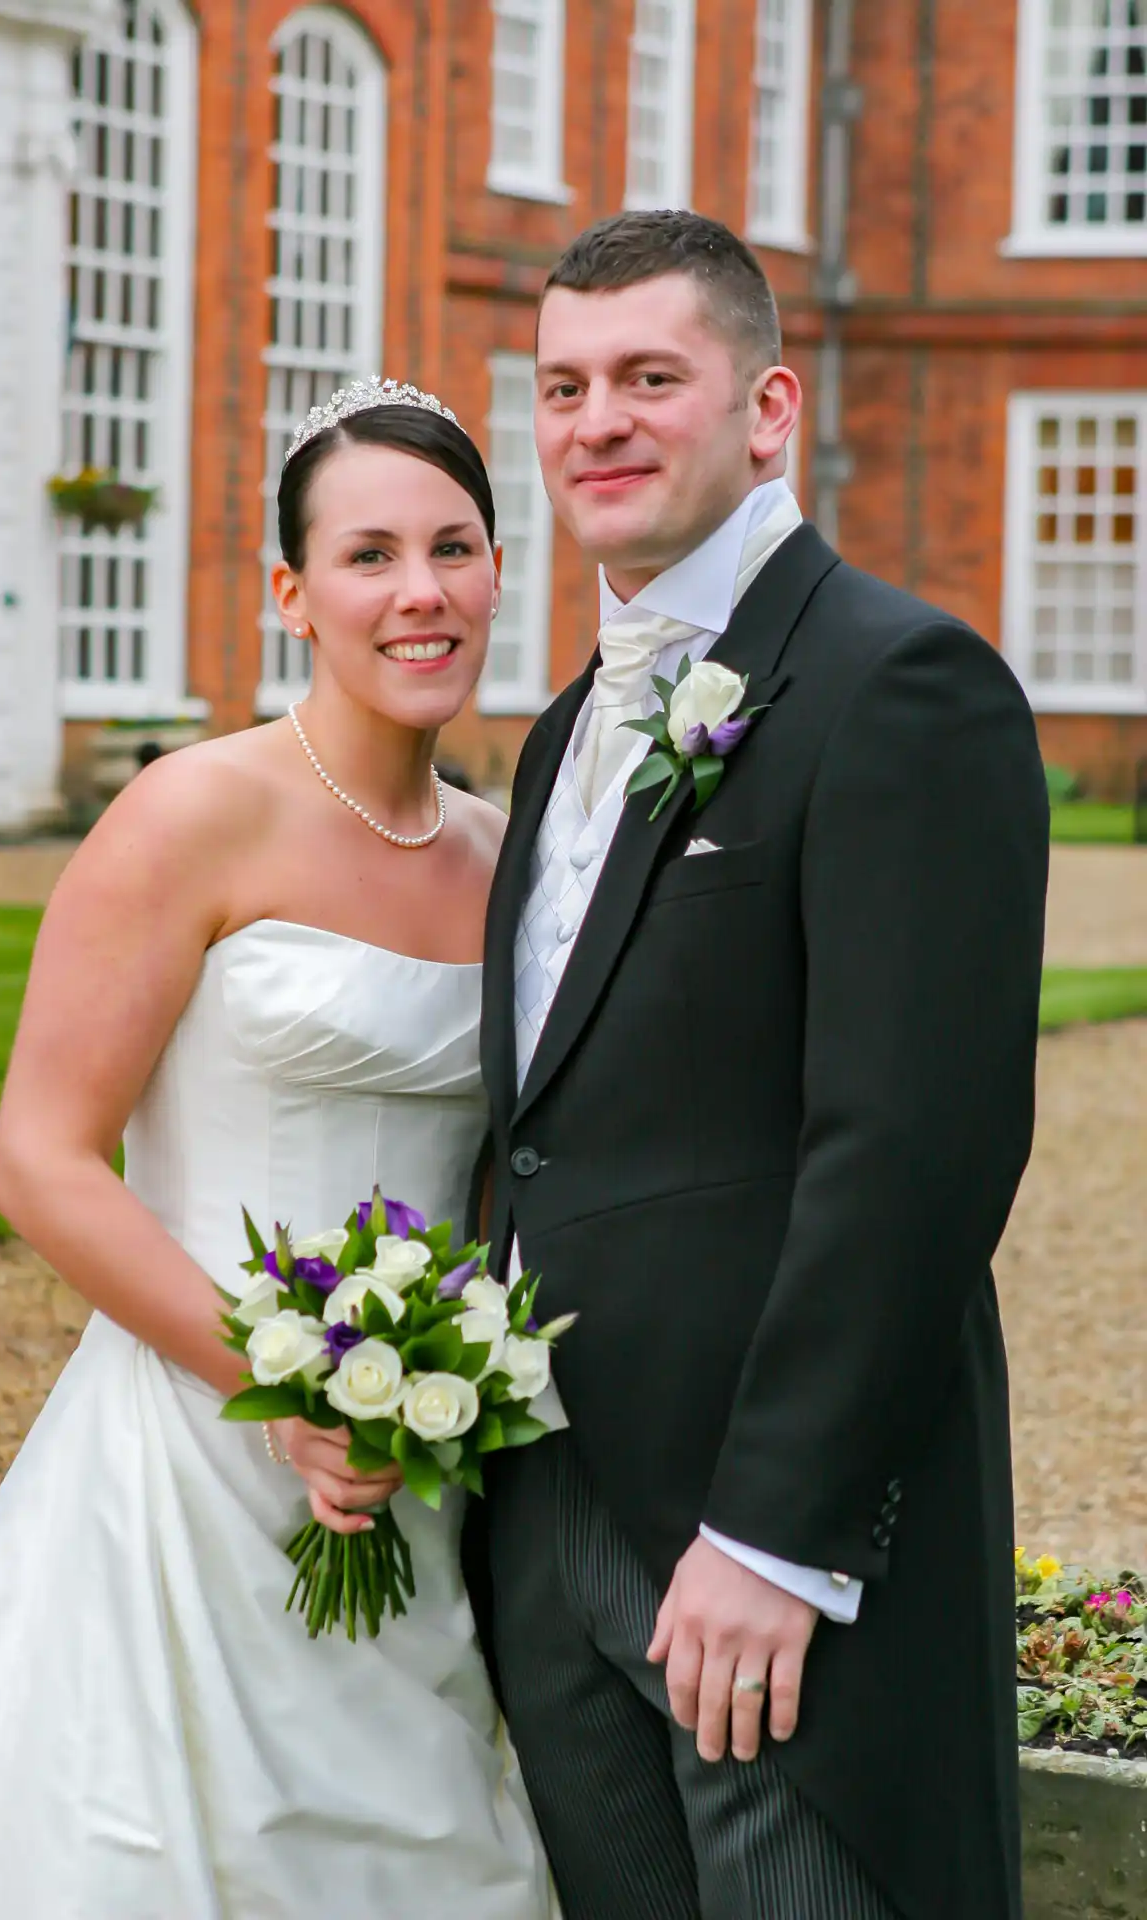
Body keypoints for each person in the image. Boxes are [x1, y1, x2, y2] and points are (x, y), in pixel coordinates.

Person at [0, 379, 556, 1919]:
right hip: (192, 1451)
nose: (422, 591)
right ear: (291, 594)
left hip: (418, 1458)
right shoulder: (192, 813)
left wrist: (433, 1390)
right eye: (370, 555)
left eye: (453, 547)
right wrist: (293, 1391)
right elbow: (41, 1161)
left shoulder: (507, 858)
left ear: (498, 570)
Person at [471, 210, 1049, 1920]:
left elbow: (915, 1151)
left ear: (768, 407)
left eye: (651, 378)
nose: (598, 422)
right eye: (564, 387)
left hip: (766, 1539)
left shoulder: (903, 684)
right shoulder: (561, 734)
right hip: (553, 1511)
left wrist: (777, 1533)